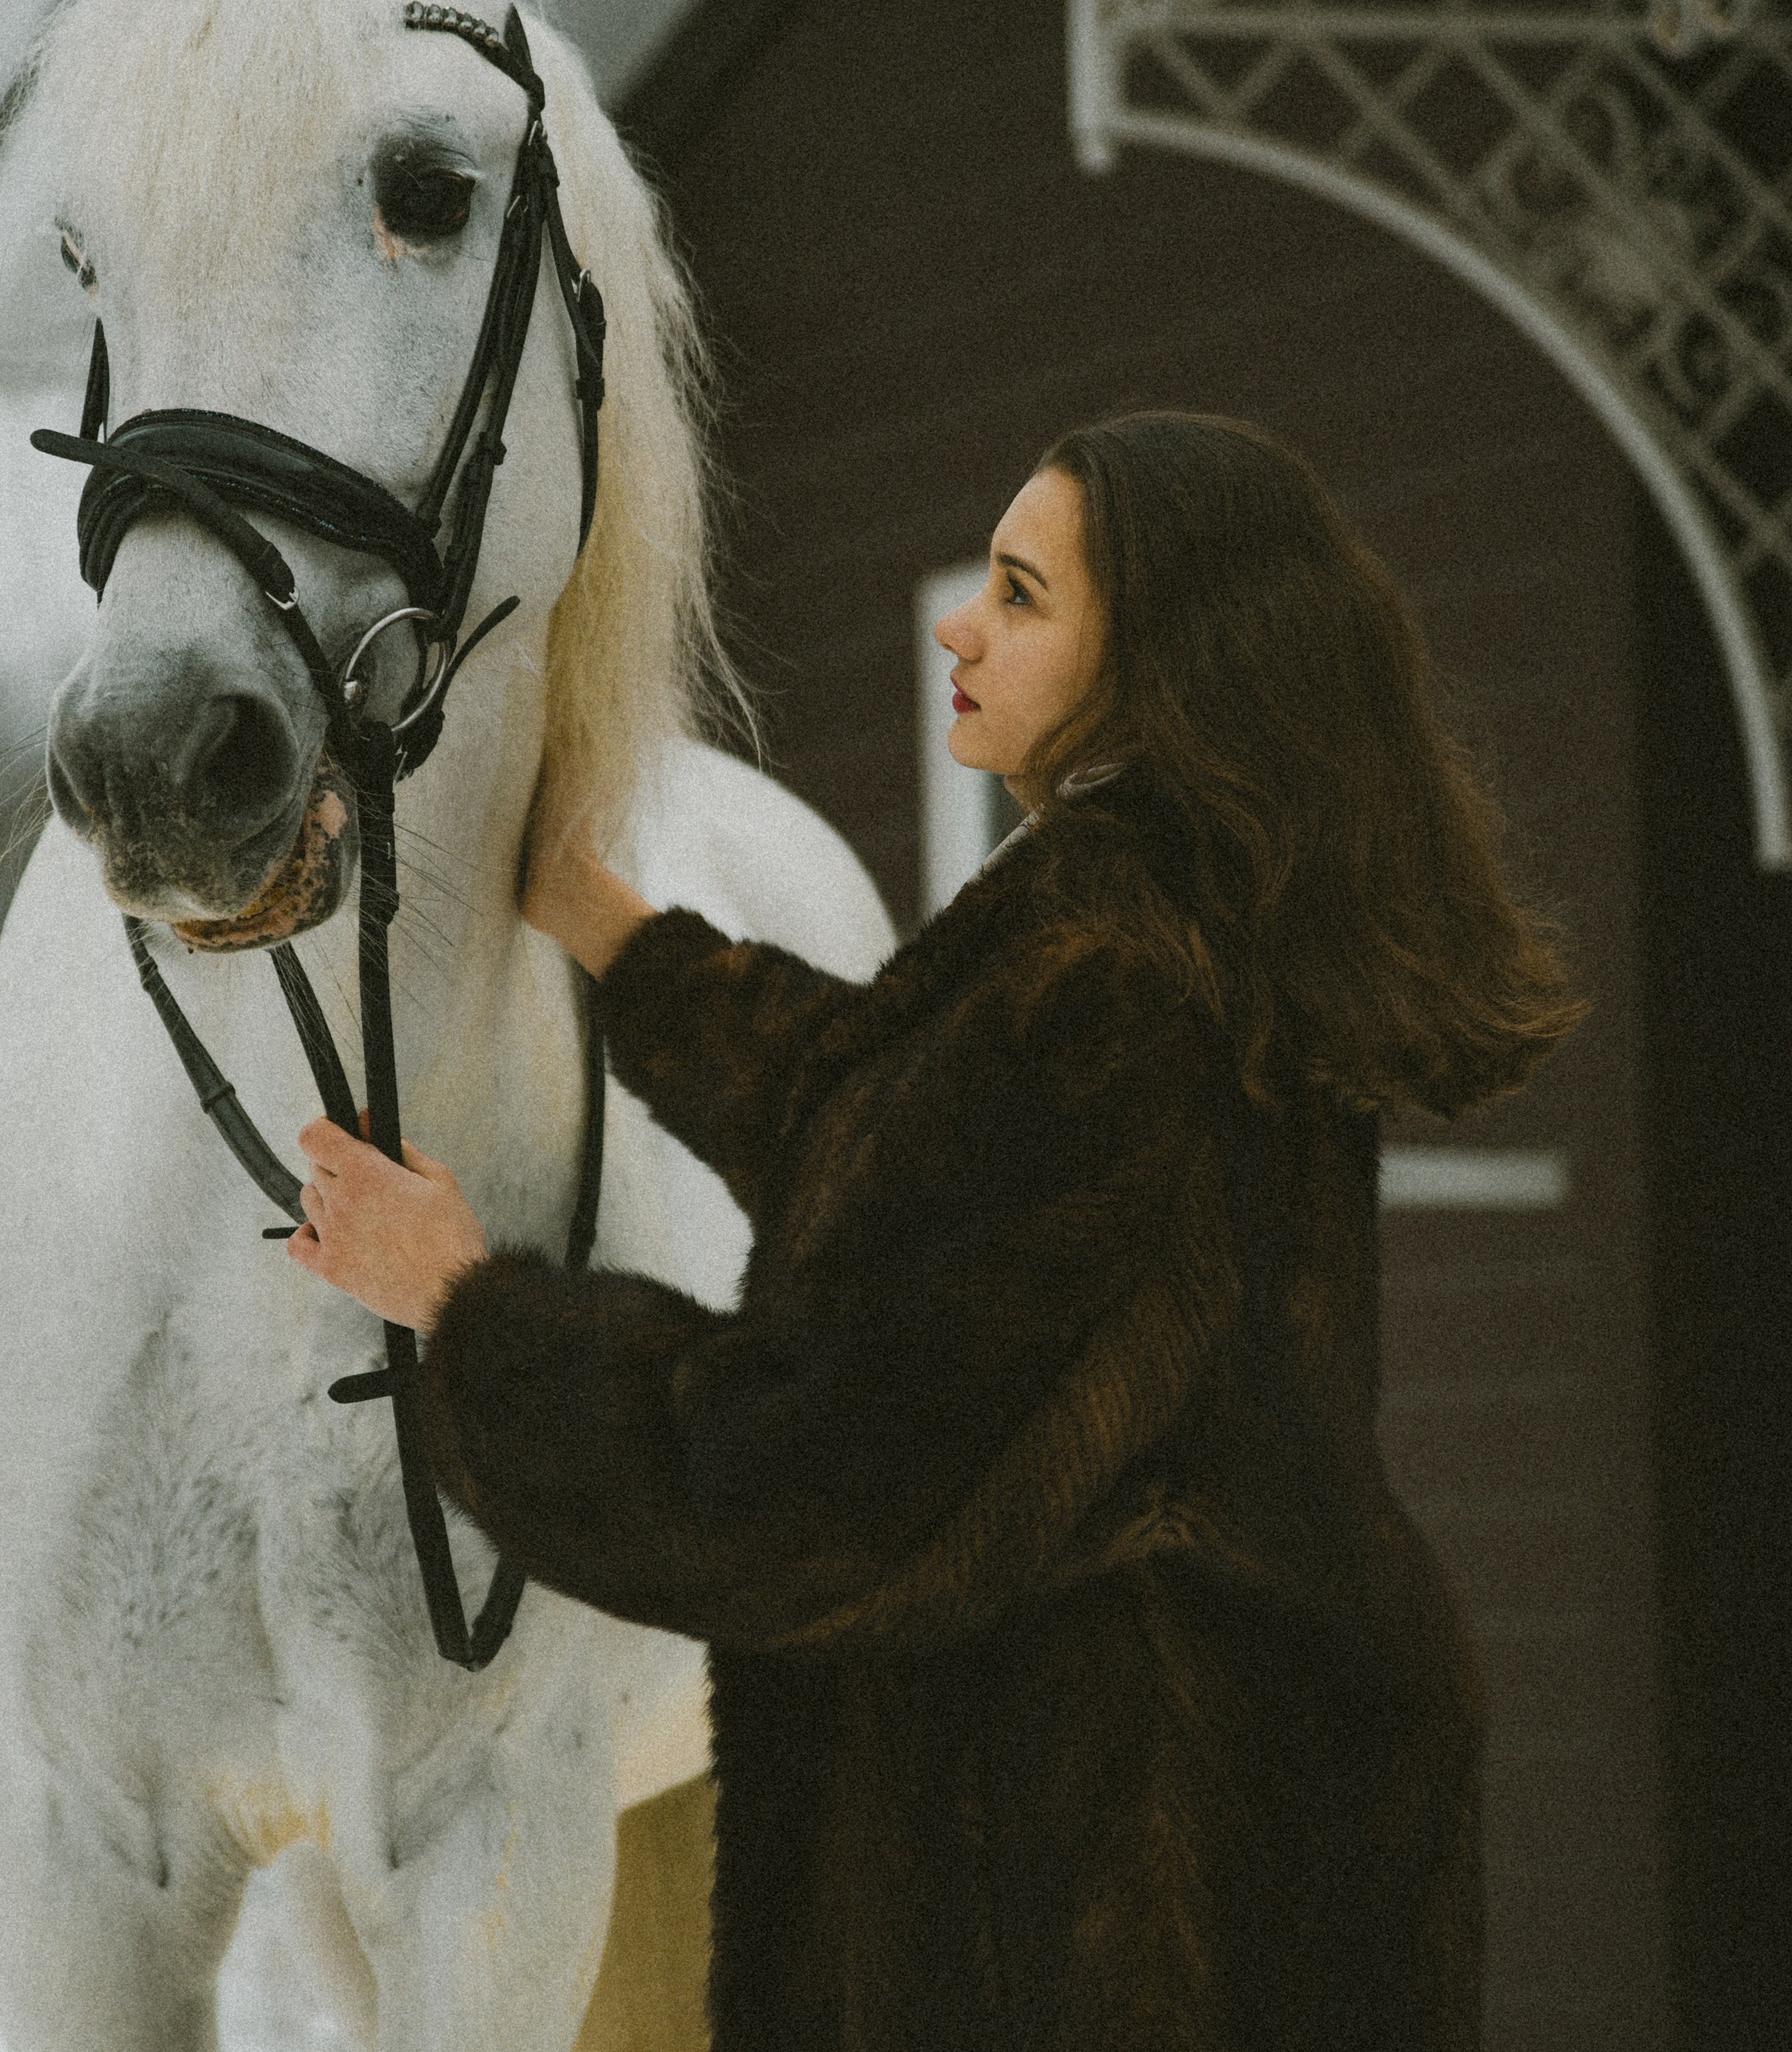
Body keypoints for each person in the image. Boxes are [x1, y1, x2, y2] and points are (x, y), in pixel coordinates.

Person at [289, 411, 1584, 2051]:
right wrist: (619, 934)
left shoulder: (1107, 963)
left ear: (1162, 655)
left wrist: (470, 1308)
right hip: (1254, 1781)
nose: (957, 625)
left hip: (1108, 1874)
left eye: (1021, 594)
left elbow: (795, 1467)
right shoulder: (1200, 908)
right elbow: (917, 1148)